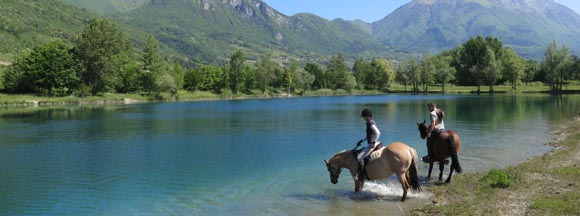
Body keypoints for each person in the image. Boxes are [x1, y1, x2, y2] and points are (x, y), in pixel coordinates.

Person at [355, 108, 381, 180]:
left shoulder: (370, 123)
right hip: (373, 143)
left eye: (364, 116)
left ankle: (361, 175)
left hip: (372, 144)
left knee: (359, 158)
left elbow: (378, 133)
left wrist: (373, 142)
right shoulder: (370, 122)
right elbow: (369, 135)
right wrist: (362, 140)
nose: (363, 118)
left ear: (367, 116)